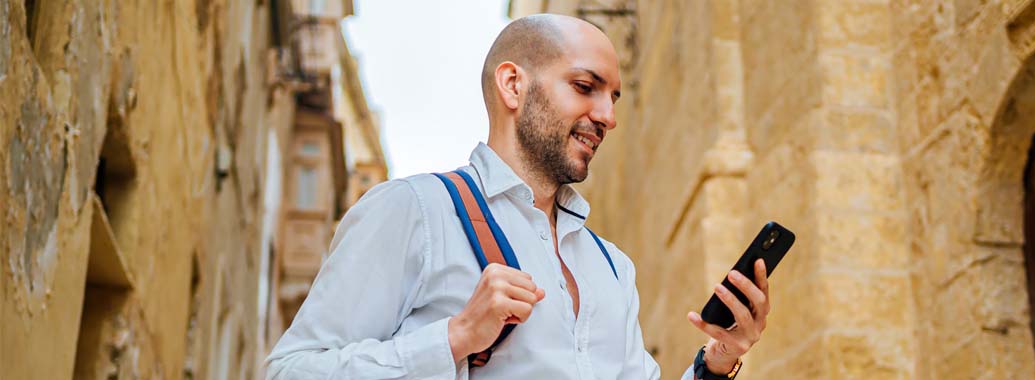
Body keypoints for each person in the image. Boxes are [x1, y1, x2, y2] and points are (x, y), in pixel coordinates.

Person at [266, 14, 772, 380]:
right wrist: (455, 338)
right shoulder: (413, 211)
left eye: (613, 97)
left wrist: (718, 360)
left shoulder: (612, 267)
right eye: (584, 86)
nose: (608, 116)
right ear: (513, 85)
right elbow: (289, 372)